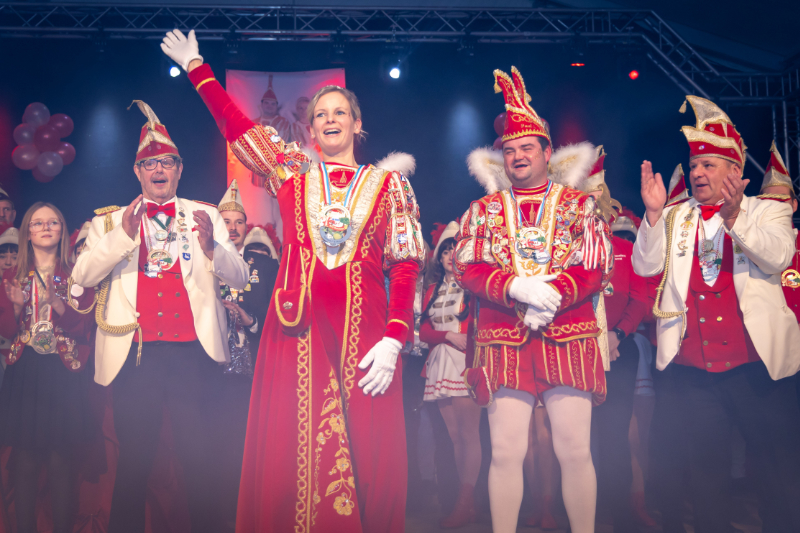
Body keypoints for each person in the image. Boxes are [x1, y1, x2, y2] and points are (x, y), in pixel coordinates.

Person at [162, 29, 425, 532]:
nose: (330, 119)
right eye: (321, 114)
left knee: (369, 445)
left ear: (357, 124)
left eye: (340, 112)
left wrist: (395, 338)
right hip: (297, 329)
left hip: (367, 332)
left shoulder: (391, 184)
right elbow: (237, 129)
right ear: (310, 128)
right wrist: (197, 68)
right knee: (295, 444)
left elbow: (406, 263)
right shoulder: (290, 172)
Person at [71, 100, 249, 533]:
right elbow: (82, 276)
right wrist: (123, 237)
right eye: (149, 163)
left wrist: (212, 249)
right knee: (135, 460)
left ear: (179, 169)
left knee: (198, 456)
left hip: (193, 353)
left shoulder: (206, 215)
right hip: (137, 356)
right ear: (137, 172)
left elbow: (241, 277)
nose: (158, 169)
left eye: (167, 162)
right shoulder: (110, 222)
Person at [456, 66, 613, 533]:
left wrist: (555, 293)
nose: (518, 156)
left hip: (569, 334)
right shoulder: (482, 210)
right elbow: (467, 265)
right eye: (509, 150)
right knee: (506, 452)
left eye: (527, 148)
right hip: (504, 338)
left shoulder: (579, 205)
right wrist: (516, 288)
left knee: (575, 450)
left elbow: (596, 265)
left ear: (547, 152)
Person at [633, 95, 800, 533]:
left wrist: (734, 217)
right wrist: (653, 216)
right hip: (694, 373)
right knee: (705, 476)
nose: (698, 173)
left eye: (708, 165)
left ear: (734, 171)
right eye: (694, 165)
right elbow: (645, 267)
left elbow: (779, 257)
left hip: (757, 368)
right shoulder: (676, 215)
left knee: (777, 472)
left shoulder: (768, 209)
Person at [555, 146, 653, 533]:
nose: (591, 208)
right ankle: (576, 519)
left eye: (597, 201)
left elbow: (640, 298)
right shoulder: (564, 253)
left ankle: (620, 515)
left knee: (614, 437)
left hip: (618, 353)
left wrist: (617, 334)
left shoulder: (627, 249)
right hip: (572, 353)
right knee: (572, 440)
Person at [0, 202, 95, 533]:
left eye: (53, 222)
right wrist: (15, 309)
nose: (45, 227)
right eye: (38, 223)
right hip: (26, 372)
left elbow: (85, 326)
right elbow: (6, 331)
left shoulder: (78, 274)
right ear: (27, 232)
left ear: (62, 230)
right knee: (25, 459)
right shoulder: (11, 276)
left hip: (63, 372)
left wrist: (57, 303)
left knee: (60, 460)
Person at [211, 180, 279, 530]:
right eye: (226, 222)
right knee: (213, 441)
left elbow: (274, 316)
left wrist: (249, 320)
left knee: (247, 440)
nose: (233, 228)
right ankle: (219, 513)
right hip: (210, 368)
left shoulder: (262, 267)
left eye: (239, 222)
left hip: (252, 367)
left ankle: (250, 512)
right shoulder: (204, 262)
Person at [419, 221, 482, 528]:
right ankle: (464, 502)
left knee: (470, 435)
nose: (449, 255)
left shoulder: (473, 286)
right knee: (455, 438)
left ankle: (466, 502)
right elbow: (423, 331)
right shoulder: (431, 290)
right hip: (440, 363)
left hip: (466, 363)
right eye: (445, 250)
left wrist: (464, 340)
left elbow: (482, 325)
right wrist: (447, 336)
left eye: (454, 249)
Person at [757, 141, 799, 322]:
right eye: (769, 201)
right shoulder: (749, 245)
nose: (776, 207)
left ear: (794, 205)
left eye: (781, 200)